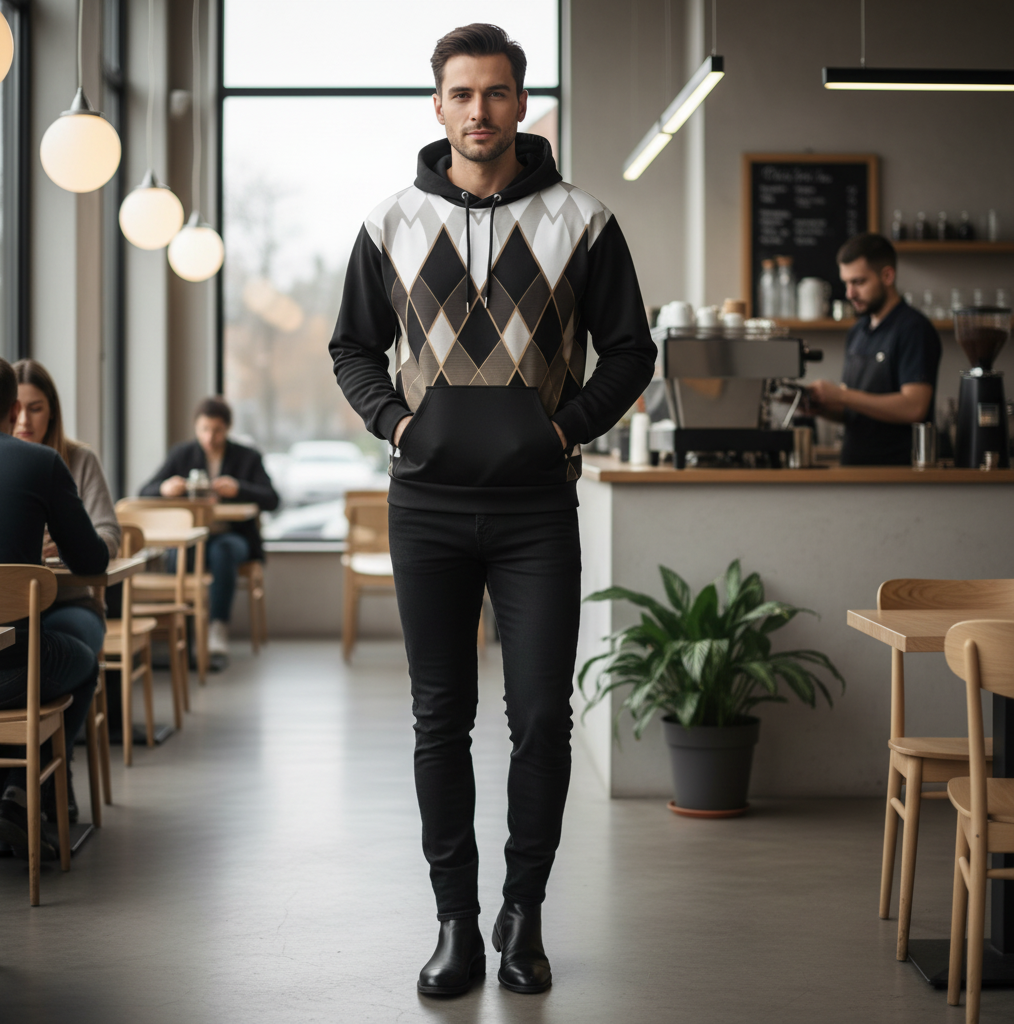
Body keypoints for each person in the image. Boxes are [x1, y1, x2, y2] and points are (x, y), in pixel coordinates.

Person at [328, 24, 656, 996]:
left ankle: (525, 914)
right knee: (439, 719)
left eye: (497, 93)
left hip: (535, 513)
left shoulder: (582, 223)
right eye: (462, 94)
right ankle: (455, 924)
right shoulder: (389, 223)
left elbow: (630, 351)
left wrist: (564, 431)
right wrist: (396, 425)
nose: (480, 111)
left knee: (542, 719)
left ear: (522, 103)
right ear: (438, 106)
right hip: (425, 506)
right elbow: (353, 348)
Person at [0, 355, 110, 858]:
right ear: (13, 407)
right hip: (9, 669)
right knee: (82, 662)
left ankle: (17, 796)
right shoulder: (40, 464)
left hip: (43, 622)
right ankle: (32, 792)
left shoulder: (73, 457)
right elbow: (92, 558)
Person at [139, 396, 279, 659]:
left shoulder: (247, 457)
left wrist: (239, 488)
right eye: (204, 429)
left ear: (227, 429)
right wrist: (164, 488)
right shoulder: (183, 454)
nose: (210, 437)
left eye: (216, 430)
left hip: (233, 536)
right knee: (177, 554)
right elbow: (144, 491)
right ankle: (180, 629)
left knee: (222, 551)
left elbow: (272, 499)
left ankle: (217, 627)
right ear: (196, 428)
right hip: (192, 537)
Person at [807, 233, 942, 465]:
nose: (850, 294)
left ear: (887, 275)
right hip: (854, 469)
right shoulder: (857, 332)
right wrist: (819, 407)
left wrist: (841, 394)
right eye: (846, 283)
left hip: (897, 474)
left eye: (858, 282)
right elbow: (854, 411)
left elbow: (914, 407)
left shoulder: (913, 329)